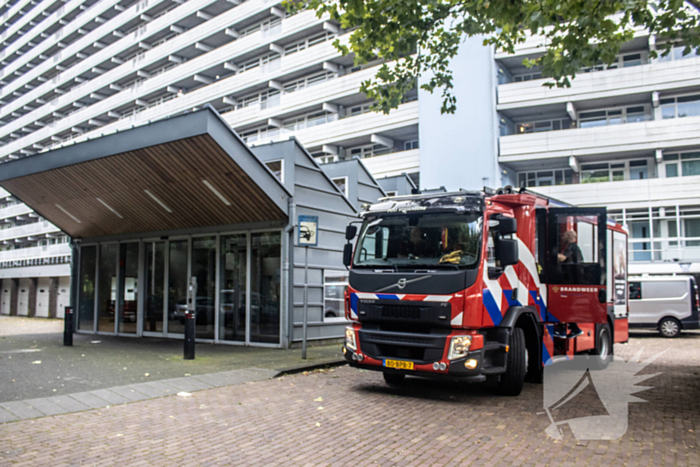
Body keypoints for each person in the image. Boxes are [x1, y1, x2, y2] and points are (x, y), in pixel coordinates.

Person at [554, 229, 584, 339]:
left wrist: (550, 254)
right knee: (567, 305)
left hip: (570, 281)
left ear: (570, 237)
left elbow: (563, 258)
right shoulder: (574, 248)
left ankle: (563, 330)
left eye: (564, 235)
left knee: (562, 304)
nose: (562, 238)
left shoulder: (572, 247)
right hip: (573, 281)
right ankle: (574, 327)